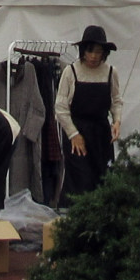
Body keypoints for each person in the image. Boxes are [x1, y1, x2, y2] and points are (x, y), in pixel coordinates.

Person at [56, 24, 122, 203]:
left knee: (103, 177)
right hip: (77, 131)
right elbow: (60, 108)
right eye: (90, 51)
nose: (93, 56)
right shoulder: (71, 72)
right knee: (80, 179)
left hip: (101, 133)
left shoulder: (110, 72)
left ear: (104, 53)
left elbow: (116, 101)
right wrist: (73, 134)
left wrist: (117, 121)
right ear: (83, 51)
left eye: (98, 52)